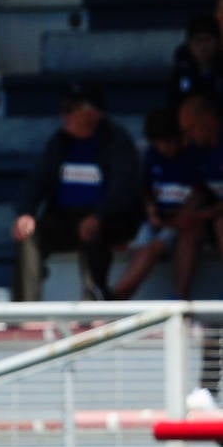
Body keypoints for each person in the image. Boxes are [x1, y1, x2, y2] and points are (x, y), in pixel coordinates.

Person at [11, 82, 142, 301]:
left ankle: (93, 303)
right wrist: (26, 213)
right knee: (29, 234)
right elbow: (37, 180)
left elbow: (123, 189)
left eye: (70, 109)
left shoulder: (116, 141)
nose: (64, 115)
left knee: (92, 231)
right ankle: (26, 311)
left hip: (106, 221)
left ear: (90, 112)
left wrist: (99, 216)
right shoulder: (60, 142)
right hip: (65, 218)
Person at [109, 107, 195, 298]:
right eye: (161, 143)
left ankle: (113, 295)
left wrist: (179, 217)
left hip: (182, 224)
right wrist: (151, 210)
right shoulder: (151, 156)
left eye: (172, 141)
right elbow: (145, 189)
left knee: (153, 248)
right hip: (156, 220)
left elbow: (200, 194)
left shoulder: (193, 157)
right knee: (141, 244)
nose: (167, 148)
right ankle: (117, 300)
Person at [173, 91, 223, 296]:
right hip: (211, 214)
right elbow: (199, 190)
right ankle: (180, 302)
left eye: (190, 129)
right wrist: (187, 212)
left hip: (217, 216)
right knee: (189, 227)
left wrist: (202, 214)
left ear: (208, 120)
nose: (188, 138)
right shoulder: (197, 150)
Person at [168, 13, 223, 106]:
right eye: (198, 40)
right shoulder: (182, 70)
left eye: (207, 39)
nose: (203, 46)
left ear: (217, 42)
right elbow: (174, 102)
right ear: (189, 44)